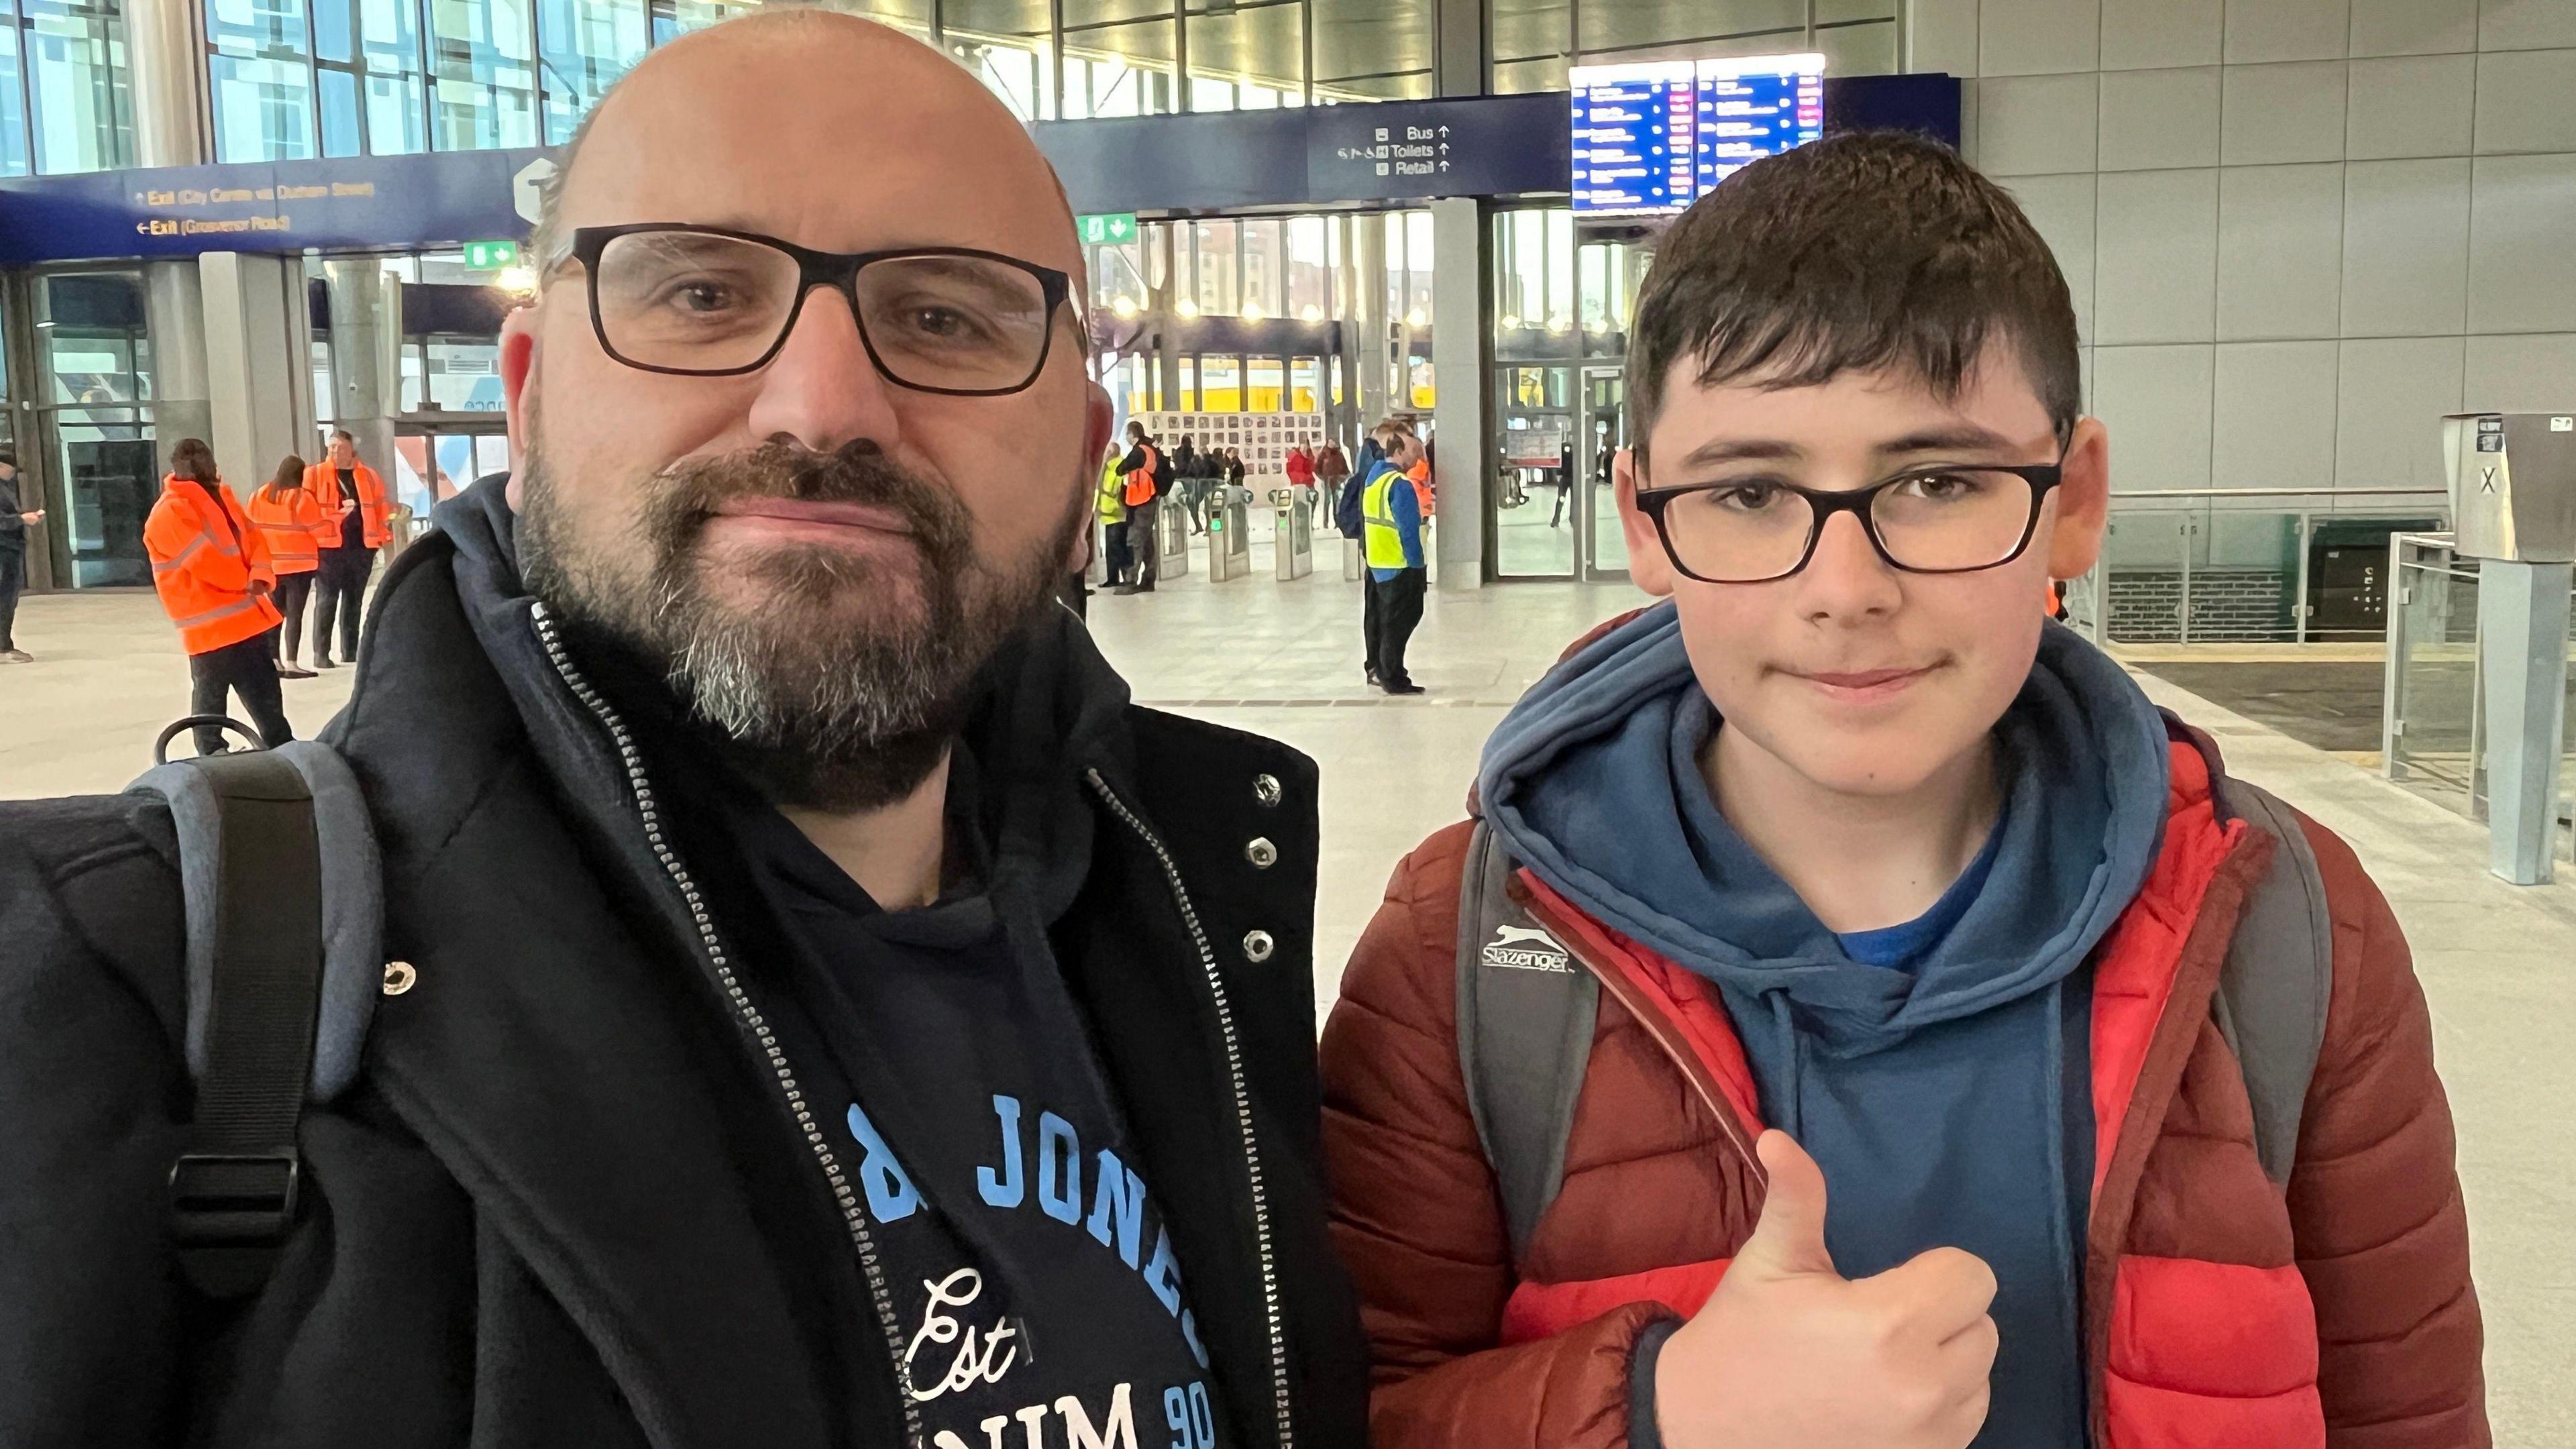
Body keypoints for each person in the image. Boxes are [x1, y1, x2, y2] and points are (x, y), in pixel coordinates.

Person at [0, 16, 1367, 1445]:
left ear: (1086, 464)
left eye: (946, 317)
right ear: (527, 405)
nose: (825, 404)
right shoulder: (107, 991)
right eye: (703, 292)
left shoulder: (1194, 922)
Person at [1320, 131, 2483, 1449]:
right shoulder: (1467, 954)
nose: (1846, 587)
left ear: (2076, 502)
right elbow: (1352, 1406)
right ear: (1647, 522)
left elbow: (2413, 1413)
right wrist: (1661, 1415)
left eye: (1937, 483)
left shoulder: (2284, 930)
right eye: (1753, 490)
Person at [142, 437, 294, 755]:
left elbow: (253, 538)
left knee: (264, 690)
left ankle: (281, 747)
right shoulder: (169, 513)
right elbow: (206, 563)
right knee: (212, 696)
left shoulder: (223, 498)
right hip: (210, 624)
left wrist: (261, 573)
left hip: (246, 617)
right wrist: (248, 580)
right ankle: (212, 754)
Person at [303, 428, 391, 669]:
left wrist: (380, 538)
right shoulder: (314, 475)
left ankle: (350, 652)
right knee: (326, 600)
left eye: (340, 448)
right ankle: (321, 654)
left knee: (355, 601)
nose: (334, 452)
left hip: (361, 547)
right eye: (331, 448)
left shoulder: (369, 476)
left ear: (352, 450)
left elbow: (381, 508)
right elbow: (306, 511)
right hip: (328, 548)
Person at [245, 453, 327, 678]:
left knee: (276, 614)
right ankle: (292, 662)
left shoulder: (260, 494)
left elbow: (249, 525)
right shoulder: (301, 498)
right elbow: (318, 528)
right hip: (299, 565)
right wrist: (336, 520)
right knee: (295, 614)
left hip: (272, 565)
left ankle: (275, 661)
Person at [1360, 425, 1428, 696]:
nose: (1415, 459)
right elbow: (1409, 530)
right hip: (1399, 563)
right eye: (1412, 452)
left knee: (1380, 620)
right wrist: (1418, 566)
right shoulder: (1399, 485)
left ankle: (1380, 668)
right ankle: (1393, 676)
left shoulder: (1373, 480)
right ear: (1398, 451)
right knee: (1400, 622)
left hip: (1377, 562)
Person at [1112, 419, 1163, 593]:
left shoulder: (1139, 451)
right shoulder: (1148, 448)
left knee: (1135, 540)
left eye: (1127, 433)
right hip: (1145, 499)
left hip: (1143, 499)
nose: (1126, 436)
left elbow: (1121, 468)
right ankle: (1149, 580)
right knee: (1147, 541)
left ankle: (1131, 580)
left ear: (1132, 434)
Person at [0, 449, 37, 663]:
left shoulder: (5, 487)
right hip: (4, 549)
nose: (13, 475)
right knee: (4, 598)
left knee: (8, 598)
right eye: (11, 470)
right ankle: (3, 647)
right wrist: (22, 519)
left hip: (11, 548)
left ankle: (5, 643)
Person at [1097, 436, 1131, 588]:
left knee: (1119, 547)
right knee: (1111, 549)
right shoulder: (1107, 467)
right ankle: (1113, 578)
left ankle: (1127, 577)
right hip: (1108, 514)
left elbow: (1118, 489)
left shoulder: (1120, 467)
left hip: (1118, 513)